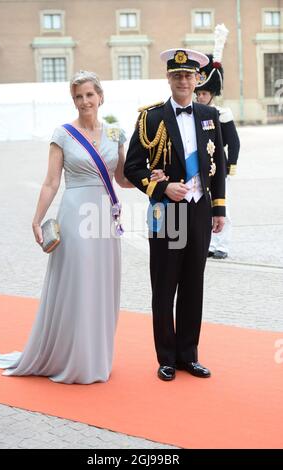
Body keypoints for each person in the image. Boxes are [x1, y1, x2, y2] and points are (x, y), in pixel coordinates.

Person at [0, 70, 166, 384]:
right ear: (74, 100)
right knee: (78, 283)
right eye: (79, 96)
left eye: (89, 95)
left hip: (104, 220)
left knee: (101, 285)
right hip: (75, 217)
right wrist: (36, 217)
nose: (85, 101)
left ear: (100, 97)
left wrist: (152, 178)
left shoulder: (114, 134)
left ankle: (95, 356)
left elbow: (122, 179)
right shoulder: (63, 134)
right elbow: (51, 182)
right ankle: (70, 355)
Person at [124, 49, 226, 381]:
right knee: (165, 285)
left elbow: (219, 166)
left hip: (198, 210)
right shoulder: (150, 118)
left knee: (193, 285)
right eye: (177, 75)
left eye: (188, 76)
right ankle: (166, 357)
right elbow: (133, 167)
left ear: (197, 80)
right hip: (166, 212)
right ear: (169, 79)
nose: (183, 81)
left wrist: (219, 209)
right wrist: (161, 188)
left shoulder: (209, 114)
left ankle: (188, 355)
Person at [195, 24, 240, 260]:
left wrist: (231, 167)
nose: (200, 96)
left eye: (204, 93)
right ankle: (210, 243)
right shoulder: (194, 113)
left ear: (212, 93)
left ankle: (223, 244)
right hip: (200, 166)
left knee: (223, 206)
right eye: (198, 92)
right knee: (204, 206)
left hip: (219, 166)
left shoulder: (222, 113)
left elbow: (234, 142)